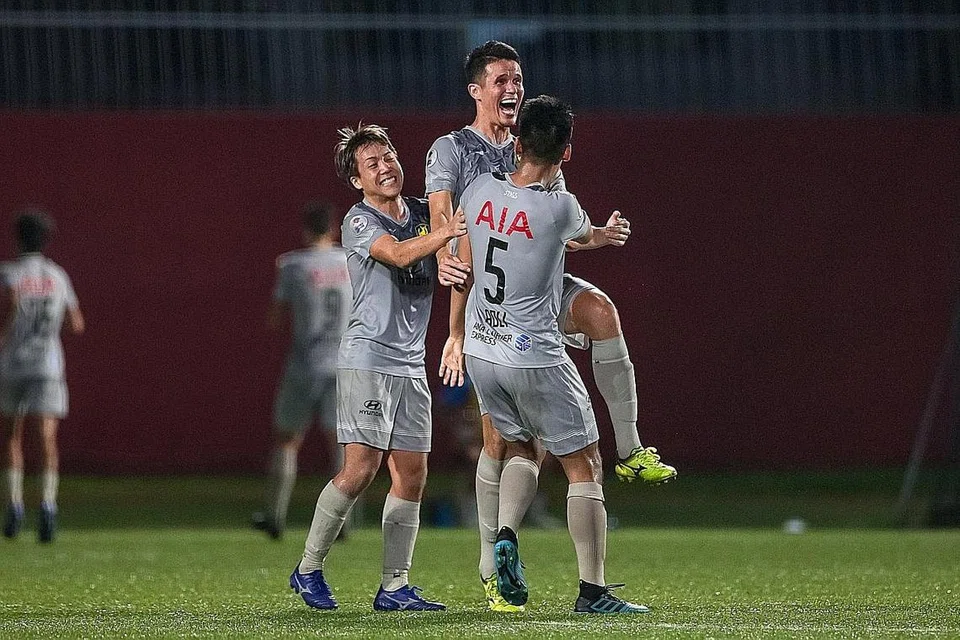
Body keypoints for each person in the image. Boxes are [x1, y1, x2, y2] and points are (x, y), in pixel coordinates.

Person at [425, 40, 676, 611]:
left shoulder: (481, 189)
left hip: (488, 349)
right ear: (565, 151)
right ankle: (592, 589)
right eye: (499, 78)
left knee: (518, 446)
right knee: (583, 465)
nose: (509, 87)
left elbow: (460, 241)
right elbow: (574, 230)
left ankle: (504, 539)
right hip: (533, 349)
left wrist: (463, 328)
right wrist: (601, 235)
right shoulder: (556, 204)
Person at [288, 124, 466, 611]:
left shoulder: (425, 214)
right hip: (368, 358)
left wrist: (452, 264)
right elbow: (399, 253)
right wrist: (445, 236)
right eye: (372, 164)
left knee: (412, 474)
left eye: (388, 157)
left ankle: (394, 586)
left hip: (410, 364)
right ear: (356, 181)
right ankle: (307, 569)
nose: (386, 167)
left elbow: (446, 263)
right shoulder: (358, 221)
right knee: (361, 469)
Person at [252, 202, 352, 540]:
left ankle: (274, 516)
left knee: (287, 439)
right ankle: (342, 522)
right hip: (345, 361)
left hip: (306, 362)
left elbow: (275, 317)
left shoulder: (293, 265)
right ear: (334, 228)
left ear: (306, 230)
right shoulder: (350, 261)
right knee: (339, 442)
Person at [1, 210, 84, 543]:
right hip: (47, 365)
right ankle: (48, 504)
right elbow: (76, 324)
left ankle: (14, 504)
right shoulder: (58, 275)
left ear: (17, 237)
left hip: (9, 364)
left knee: (10, 436)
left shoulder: (7, 274)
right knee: (46, 437)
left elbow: (5, 315)